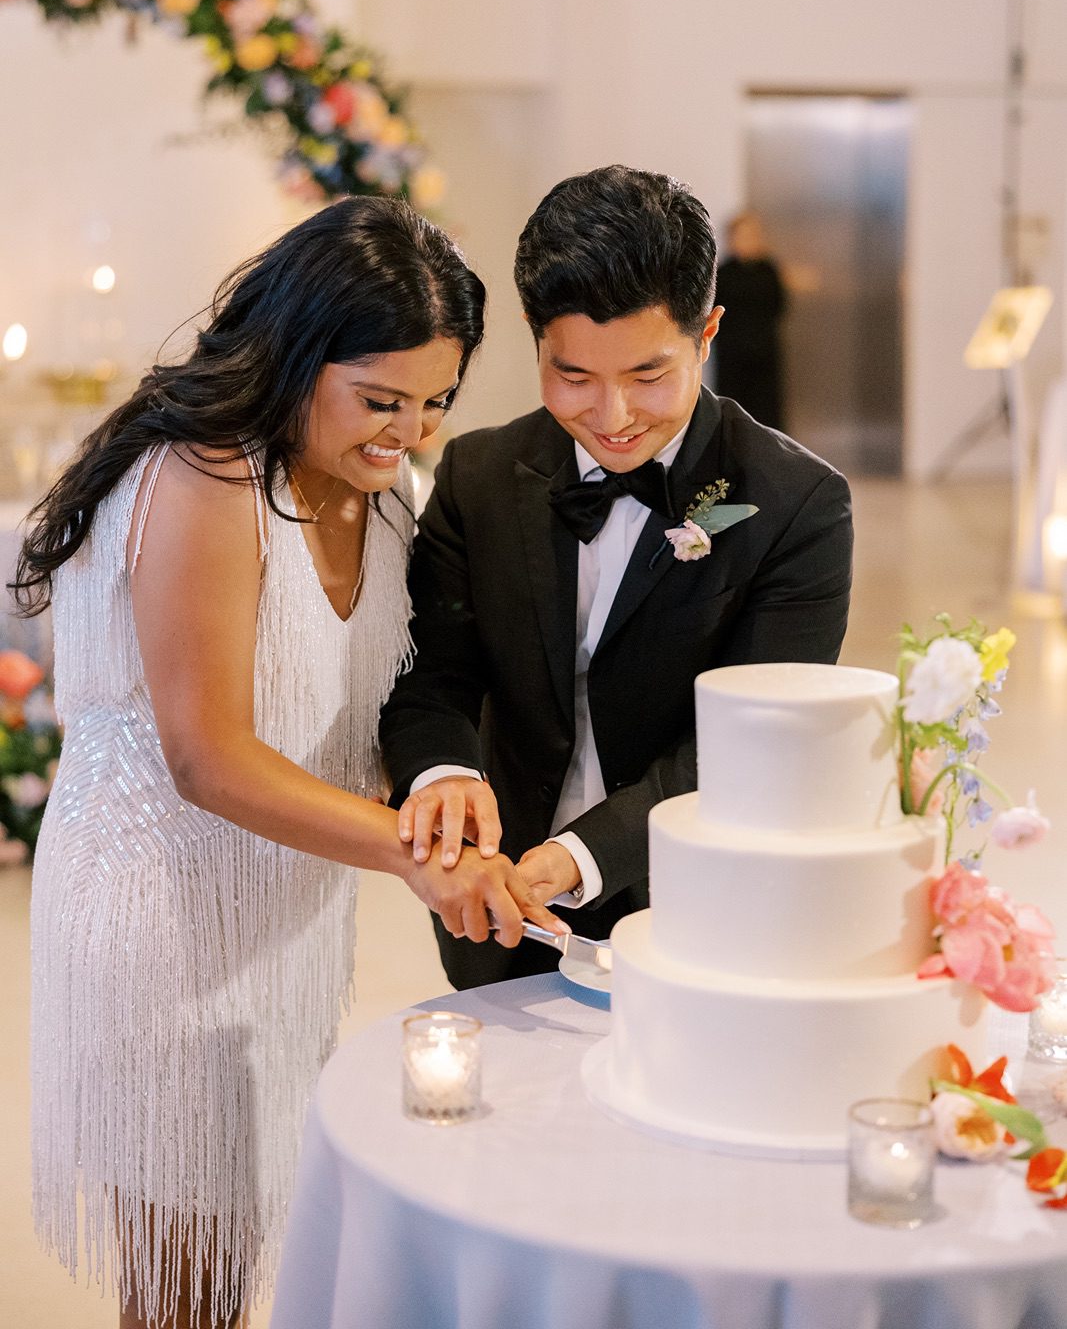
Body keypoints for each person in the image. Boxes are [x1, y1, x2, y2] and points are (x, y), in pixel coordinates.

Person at [14, 197, 563, 1329]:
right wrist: (414, 857)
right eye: (378, 399)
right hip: (162, 915)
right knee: (183, 1288)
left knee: (251, 1251)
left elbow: (376, 703)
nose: (407, 433)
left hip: (283, 908)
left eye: (433, 403)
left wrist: (444, 800)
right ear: (296, 354)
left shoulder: (384, 492)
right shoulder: (207, 477)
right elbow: (206, 756)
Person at [379, 166, 853, 990]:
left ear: (707, 333)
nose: (612, 416)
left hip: (692, 907)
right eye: (572, 377)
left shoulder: (795, 504)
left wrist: (576, 856)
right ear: (535, 337)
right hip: (492, 905)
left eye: (647, 376)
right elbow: (431, 679)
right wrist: (445, 783)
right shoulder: (479, 476)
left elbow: (750, 744)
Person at [713, 210, 787, 429]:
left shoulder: (768, 270)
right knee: (733, 409)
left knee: (766, 408)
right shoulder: (723, 273)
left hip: (764, 350)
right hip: (731, 353)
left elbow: (778, 306)